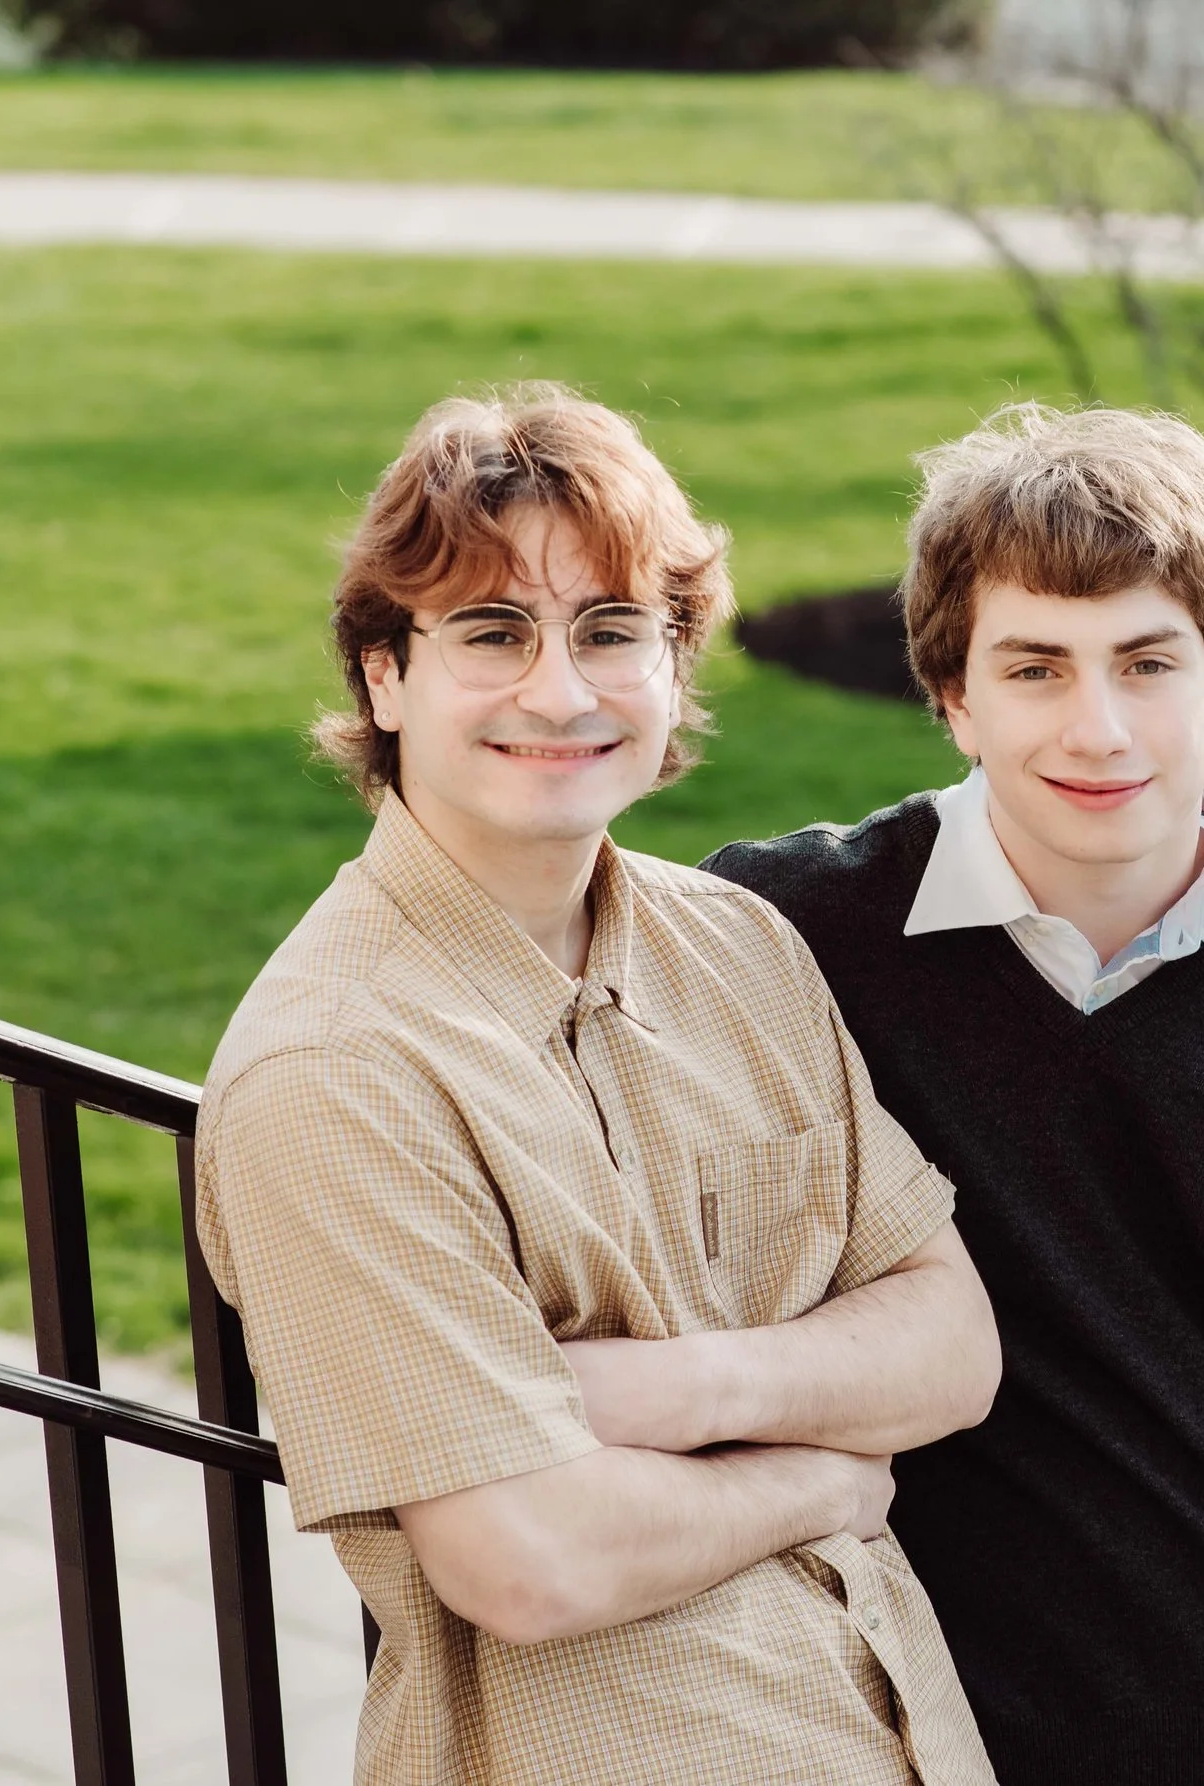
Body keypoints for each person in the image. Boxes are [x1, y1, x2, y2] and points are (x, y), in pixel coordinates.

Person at [194, 387, 1000, 1785]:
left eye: (614, 632)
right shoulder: (335, 1074)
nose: (561, 692)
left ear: (676, 666)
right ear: (385, 674)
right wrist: (817, 1474)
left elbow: (953, 1343)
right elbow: (531, 1561)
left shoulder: (738, 945)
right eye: (493, 632)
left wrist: (667, 1390)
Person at [703, 403, 1204, 1786]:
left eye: (1148, 663)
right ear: (955, 695)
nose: (1098, 727)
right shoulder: (781, 940)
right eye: (1035, 667)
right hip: (869, 1741)